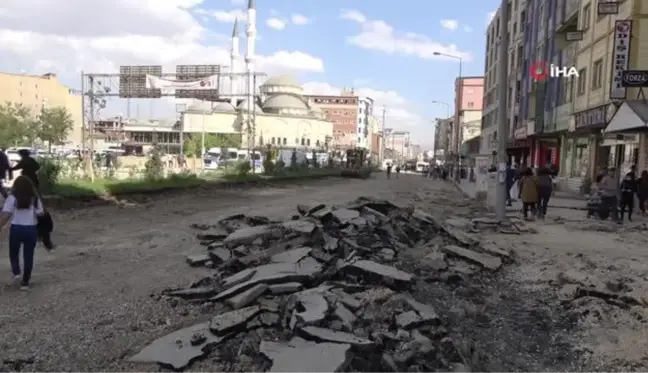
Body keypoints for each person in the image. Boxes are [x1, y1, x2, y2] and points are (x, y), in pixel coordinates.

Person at [0, 176, 46, 290]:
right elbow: (40, 213)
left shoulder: (12, 198)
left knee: (14, 253)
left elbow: (6, 215)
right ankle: (25, 283)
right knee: (28, 255)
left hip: (16, 228)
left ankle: (17, 273)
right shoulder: (35, 198)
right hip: (31, 229)